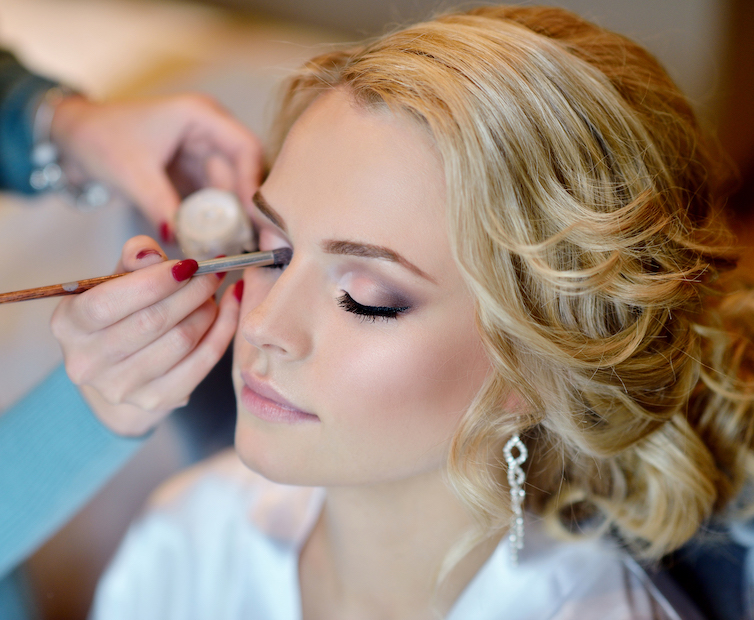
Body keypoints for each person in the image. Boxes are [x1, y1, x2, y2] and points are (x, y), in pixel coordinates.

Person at [51, 5, 754, 619]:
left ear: (541, 365)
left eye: (366, 299)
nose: (264, 328)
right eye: (270, 250)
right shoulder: (190, 541)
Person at [0, 48, 262, 614]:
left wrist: (51, 122)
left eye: (369, 300)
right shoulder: (172, 551)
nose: (273, 322)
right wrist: (87, 414)